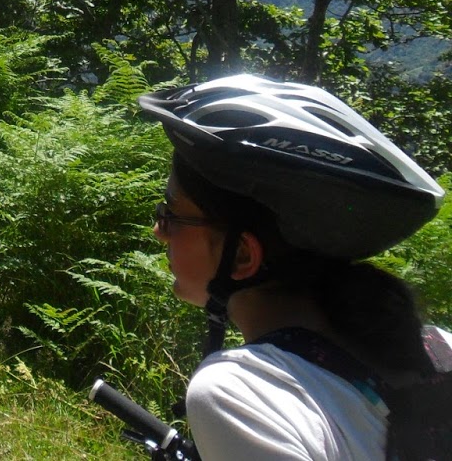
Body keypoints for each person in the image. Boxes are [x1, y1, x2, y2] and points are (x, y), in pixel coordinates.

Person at [138, 74, 448, 461]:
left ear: (241, 257)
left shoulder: (241, 391)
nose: (157, 231)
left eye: (170, 215)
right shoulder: (438, 349)